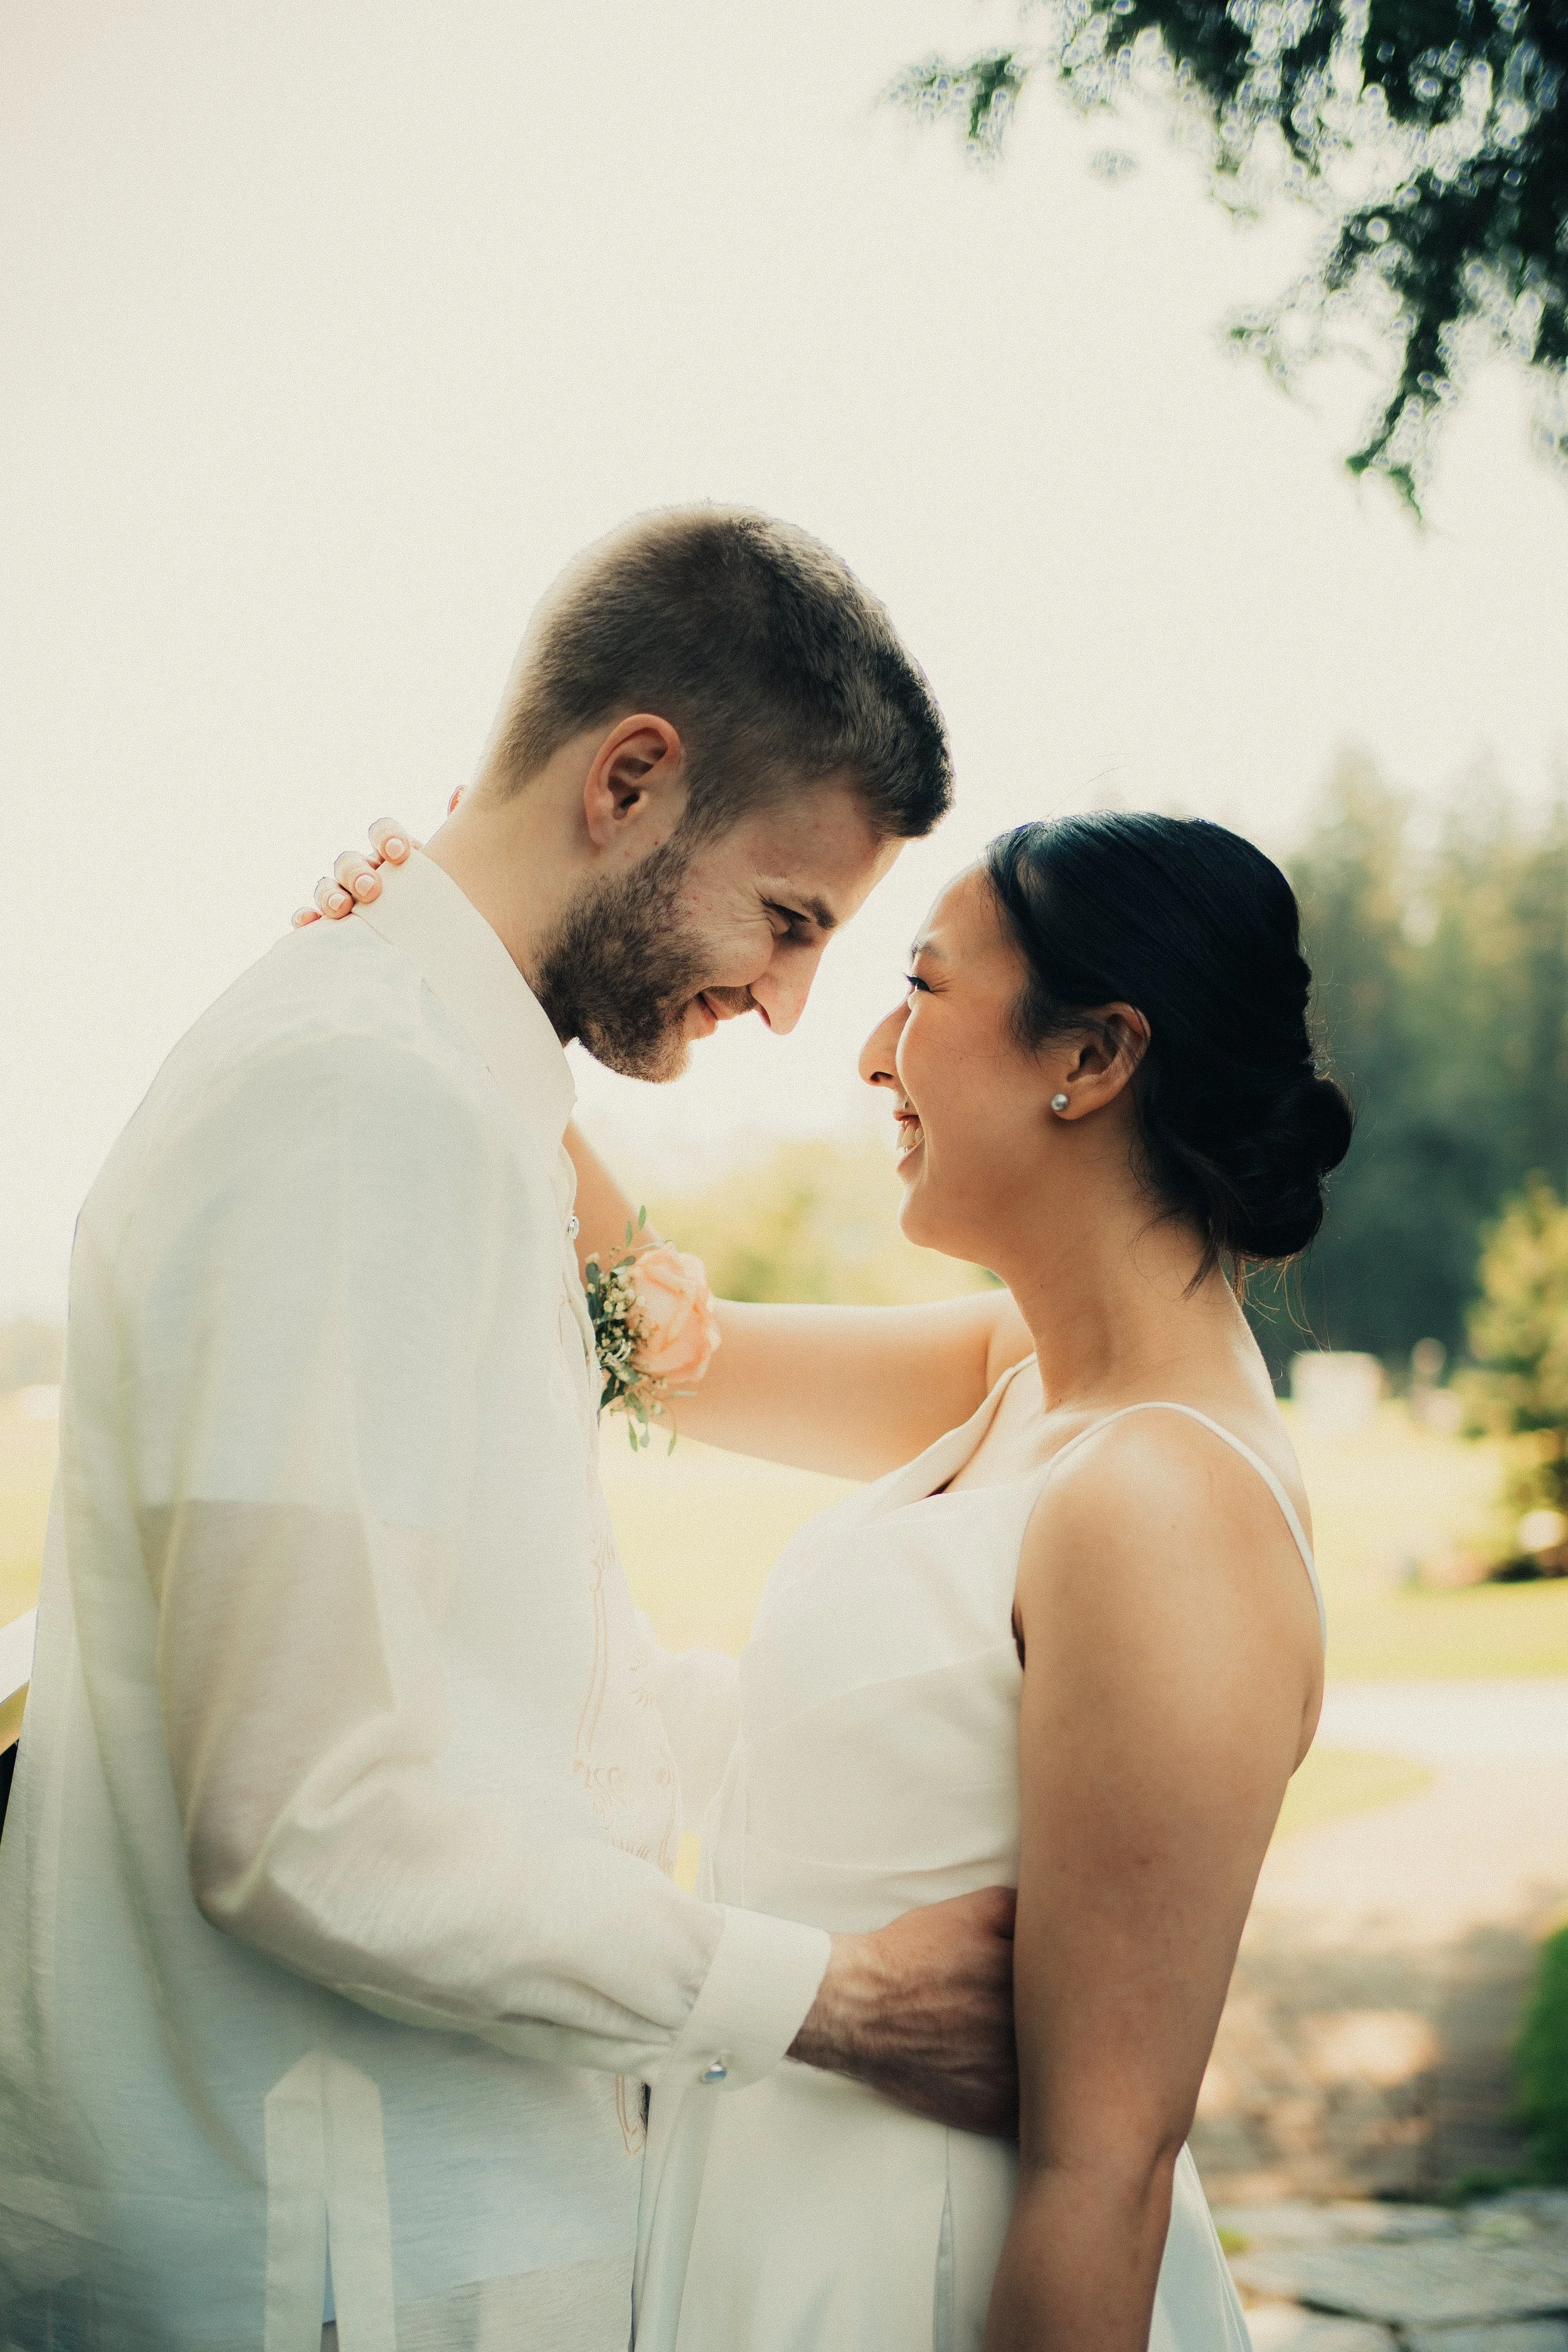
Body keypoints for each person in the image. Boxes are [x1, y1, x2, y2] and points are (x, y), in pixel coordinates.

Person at [0, 509, 1022, 2352]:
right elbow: (307, 1816)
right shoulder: (355, 1096)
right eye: (786, 919)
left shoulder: (444, 1083)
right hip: (323, 2251)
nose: (791, 1004)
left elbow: (498, 1693)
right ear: (633, 776)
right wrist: (826, 1996)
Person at [318, 802, 1351, 2350]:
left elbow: (1104, 2169)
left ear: (1090, 1057)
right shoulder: (1025, 1374)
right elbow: (667, 1344)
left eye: (924, 991)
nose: (871, 1051)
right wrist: (461, 975)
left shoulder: (1164, 1505)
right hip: (758, 2236)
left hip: (917, 2282)